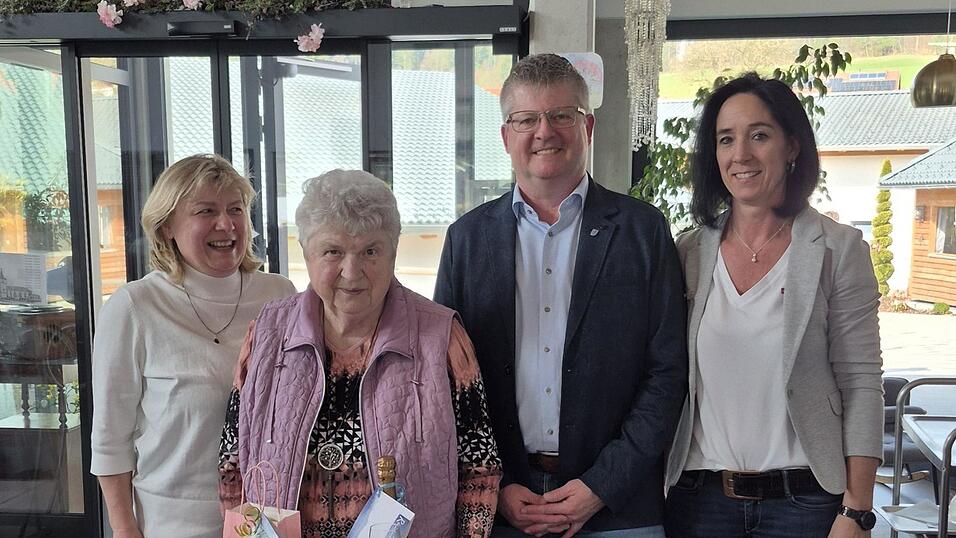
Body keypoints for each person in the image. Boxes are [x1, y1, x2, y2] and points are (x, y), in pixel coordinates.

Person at [434, 53, 688, 537]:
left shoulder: (643, 231)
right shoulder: (466, 239)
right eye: (526, 119)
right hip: (504, 509)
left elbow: (667, 372)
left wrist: (602, 485)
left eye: (561, 116)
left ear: (587, 126)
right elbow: (446, 378)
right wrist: (495, 483)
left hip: (619, 509)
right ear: (506, 135)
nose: (544, 132)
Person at [218, 169, 502, 537]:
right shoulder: (266, 335)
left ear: (393, 253)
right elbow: (232, 464)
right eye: (332, 251)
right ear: (306, 253)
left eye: (370, 251)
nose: (351, 272)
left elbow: (480, 470)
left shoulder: (441, 337)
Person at [663, 72, 884, 537]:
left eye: (759, 135)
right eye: (726, 139)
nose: (741, 154)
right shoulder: (689, 253)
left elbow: (862, 382)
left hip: (804, 506)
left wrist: (858, 510)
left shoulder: (838, 250)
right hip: (700, 502)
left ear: (792, 147)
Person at [90, 154, 297, 537]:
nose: (226, 224)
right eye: (206, 211)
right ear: (167, 225)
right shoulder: (135, 306)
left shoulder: (279, 296)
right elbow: (110, 437)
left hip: (266, 517)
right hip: (173, 523)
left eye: (236, 209)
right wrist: (124, 528)